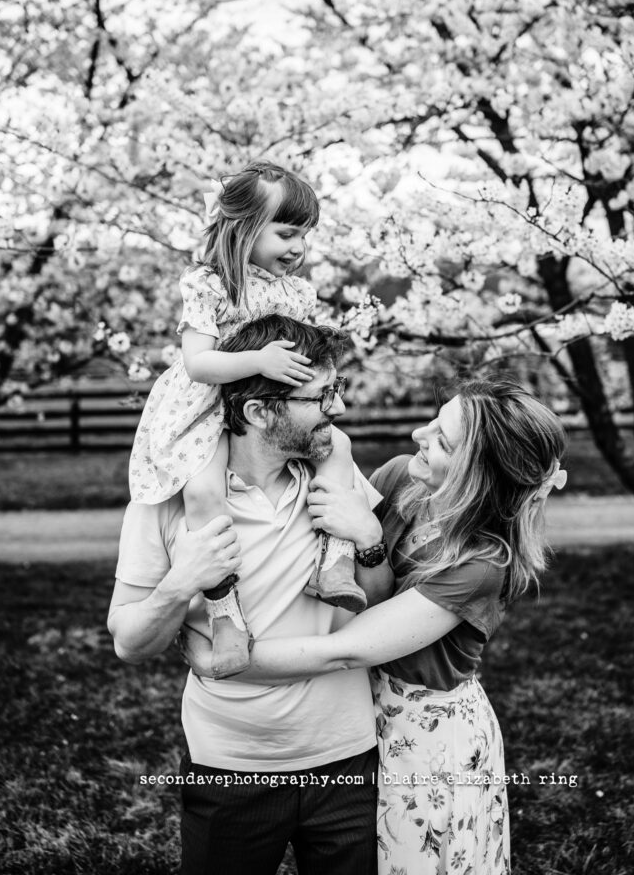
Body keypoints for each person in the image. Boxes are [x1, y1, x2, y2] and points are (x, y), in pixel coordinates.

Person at [182, 377, 567, 875]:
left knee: (412, 858)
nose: (417, 434)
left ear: (478, 473)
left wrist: (221, 658)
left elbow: (349, 649)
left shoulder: (482, 563)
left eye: (442, 441)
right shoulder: (403, 479)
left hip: (424, 736)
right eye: (435, 418)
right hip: (360, 716)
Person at [108, 315, 388, 875]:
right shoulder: (165, 505)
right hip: (229, 769)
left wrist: (370, 541)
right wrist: (181, 582)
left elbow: (378, 606)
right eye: (319, 396)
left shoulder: (338, 478)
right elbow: (130, 644)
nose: (337, 408)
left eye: (336, 390)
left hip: (347, 760)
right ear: (259, 412)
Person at [128, 160, 367, 679]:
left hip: (266, 406)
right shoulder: (212, 285)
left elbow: (307, 358)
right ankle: (224, 608)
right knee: (203, 492)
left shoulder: (297, 292)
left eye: (305, 235)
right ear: (243, 228)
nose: (298, 247)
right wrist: (257, 362)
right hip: (210, 407)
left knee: (340, 451)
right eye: (286, 233)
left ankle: (335, 560)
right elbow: (199, 362)